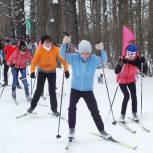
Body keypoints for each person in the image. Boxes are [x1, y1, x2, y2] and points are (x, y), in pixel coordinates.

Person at [60, 36, 111, 139]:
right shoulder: (74, 57)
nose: (85, 55)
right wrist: (64, 44)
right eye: (83, 53)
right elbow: (62, 55)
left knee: (94, 111)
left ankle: (102, 130)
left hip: (88, 90)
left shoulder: (93, 59)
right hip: (75, 89)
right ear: (79, 52)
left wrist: (101, 49)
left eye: (87, 53)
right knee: (72, 108)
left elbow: (103, 60)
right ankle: (71, 130)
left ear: (90, 52)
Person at [27, 35, 69, 115]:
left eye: (50, 42)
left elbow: (63, 60)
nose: (49, 44)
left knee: (52, 90)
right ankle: (32, 107)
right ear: (43, 42)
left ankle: (54, 109)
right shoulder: (39, 50)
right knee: (39, 90)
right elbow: (34, 61)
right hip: (42, 71)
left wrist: (66, 70)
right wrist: (32, 71)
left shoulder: (56, 49)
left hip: (52, 72)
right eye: (47, 42)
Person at [115, 43, 147, 123]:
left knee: (133, 95)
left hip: (131, 79)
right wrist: (122, 63)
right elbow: (116, 71)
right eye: (128, 53)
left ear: (135, 54)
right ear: (126, 52)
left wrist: (144, 63)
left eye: (132, 54)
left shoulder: (137, 60)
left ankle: (134, 113)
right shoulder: (123, 59)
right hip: (122, 80)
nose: (130, 56)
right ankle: (122, 115)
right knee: (126, 95)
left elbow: (144, 71)